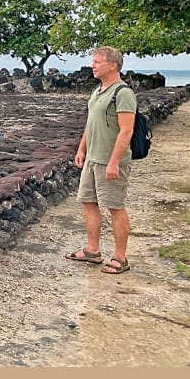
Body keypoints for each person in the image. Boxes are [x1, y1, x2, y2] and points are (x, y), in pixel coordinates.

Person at [65, 46, 136, 274]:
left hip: (110, 160)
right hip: (92, 159)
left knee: (115, 207)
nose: (92, 65)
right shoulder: (98, 91)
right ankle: (92, 251)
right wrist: (81, 148)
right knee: (88, 203)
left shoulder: (123, 93)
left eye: (97, 62)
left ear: (113, 65)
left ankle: (120, 258)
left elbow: (126, 131)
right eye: (92, 62)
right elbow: (91, 123)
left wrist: (114, 161)